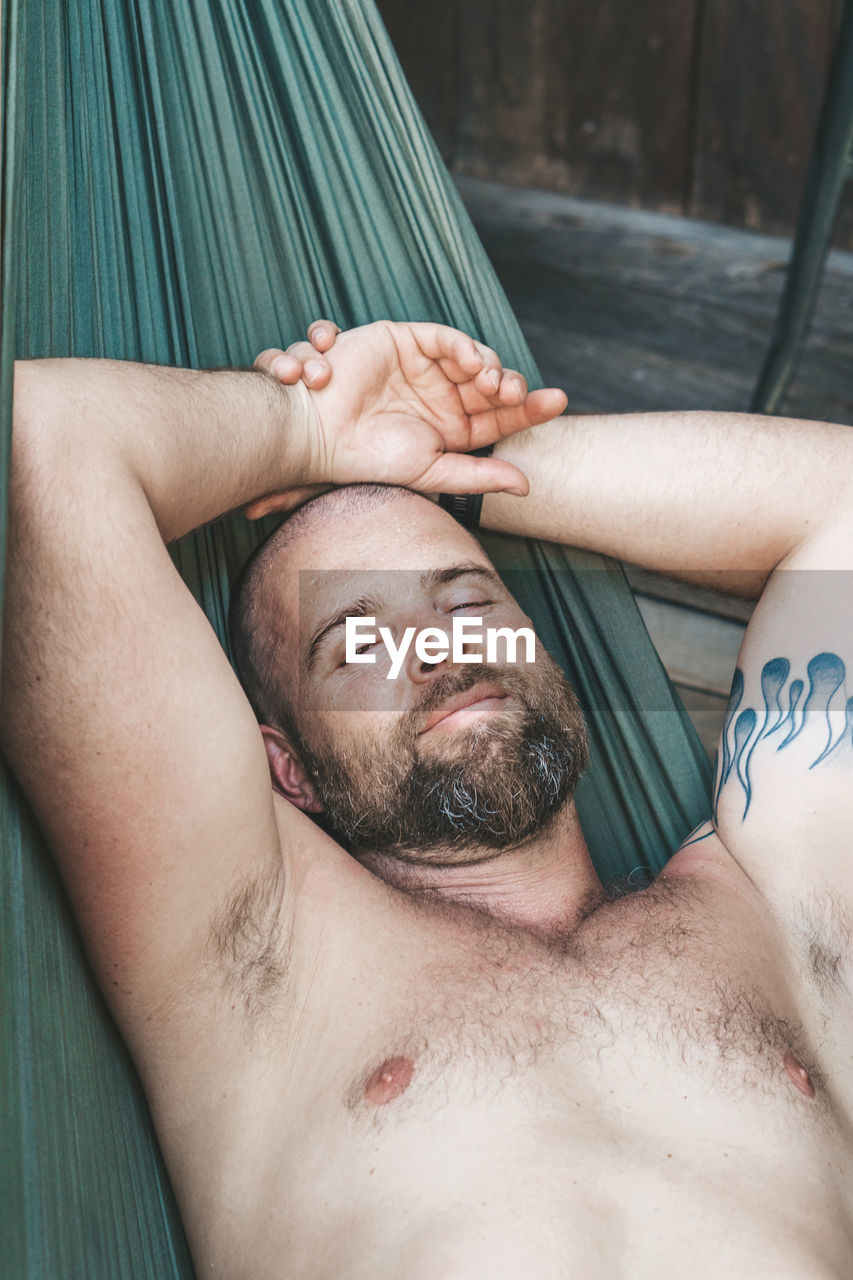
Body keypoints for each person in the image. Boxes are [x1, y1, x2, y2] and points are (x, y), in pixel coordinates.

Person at [3, 318, 852, 1278]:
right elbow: (46, 438)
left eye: (468, 605)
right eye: (358, 641)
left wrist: (465, 467)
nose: (439, 650)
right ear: (288, 769)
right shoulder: (256, 956)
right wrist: (304, 429)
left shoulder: (777, 916)